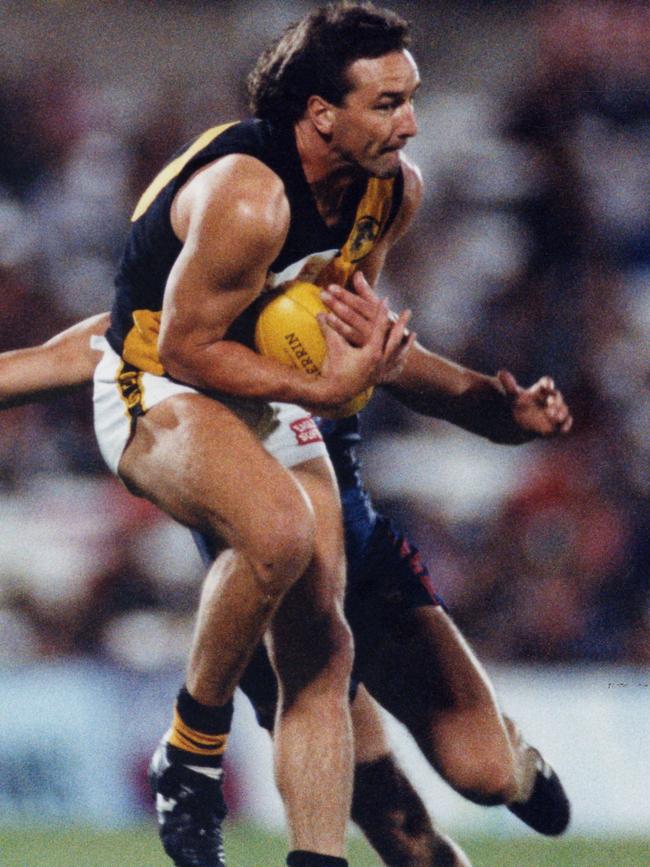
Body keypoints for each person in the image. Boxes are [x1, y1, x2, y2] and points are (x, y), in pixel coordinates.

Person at [1, 4, 574, 865]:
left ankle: (503, 765)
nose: (412, 122)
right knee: (287, 556)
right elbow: (164, 348)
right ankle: (192, 755)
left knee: (474, 770)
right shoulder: (247, 199)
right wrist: (325, 388)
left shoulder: (386, 193)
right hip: (170, 387)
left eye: (411, 97)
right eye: (387, 103)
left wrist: (496, 408)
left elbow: (365, 348)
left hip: (285, 420)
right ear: (319, 113)